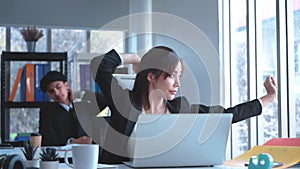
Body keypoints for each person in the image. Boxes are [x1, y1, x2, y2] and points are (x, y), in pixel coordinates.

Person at [90, 46, 277, 164]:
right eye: (172, 75)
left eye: (179, 75)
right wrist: (134, 57)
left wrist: (268, 98)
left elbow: (225, 115)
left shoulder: (181, 108)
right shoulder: (124, 101)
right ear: (151, 76)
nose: (178, 84)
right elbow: (100, 66)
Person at [38, 71, 93, 146]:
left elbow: (108, 103)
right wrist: (71, 142)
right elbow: (47, 140)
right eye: (51, 91)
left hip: (89, 152)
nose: (56, 93)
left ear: (66, 85)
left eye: (58, 87)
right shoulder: (48, 111)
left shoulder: (83, 105)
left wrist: (79, 94)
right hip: (64, 155)